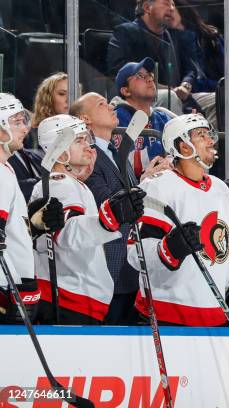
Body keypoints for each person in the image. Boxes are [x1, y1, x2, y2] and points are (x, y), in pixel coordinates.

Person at [128, 114, 229, 326]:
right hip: (167, 314)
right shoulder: (158, 186)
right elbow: (135, 254)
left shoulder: (221, 188)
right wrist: (169, 249)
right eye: (201, 135)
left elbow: (223, 252)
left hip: (215, 315)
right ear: (184, 147)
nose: (210, 141)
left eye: (209, 134)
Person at [31, 115, 145, 324]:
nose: (88, 147)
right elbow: (66, 235)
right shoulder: (61, 183)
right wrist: (108, 219)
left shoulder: (66, 183)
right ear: (58, 148)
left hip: (74, 300)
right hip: (68, 301)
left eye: (87, 140)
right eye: (79, 140)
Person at [70, 92, 170, 324]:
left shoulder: (116, 152)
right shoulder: (88, 157)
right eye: (102, 104)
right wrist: (145, 183)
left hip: (129, 269)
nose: (111, 106)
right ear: (85, 119)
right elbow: (108, 204)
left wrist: (145, 179)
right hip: (111, 268)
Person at [0, 93, 57, 324]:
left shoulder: (7, 169)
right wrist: (7, 294)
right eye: (16, 122)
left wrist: (32, 225)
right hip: (7, 289)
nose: (25, 128)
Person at [106, 0, 196, 114]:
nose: (172, 9)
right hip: (143, 97)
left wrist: (185, 85)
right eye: (166, 3)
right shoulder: (125, 32)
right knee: (171, 96)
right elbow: (117, 70)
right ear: (147, 7)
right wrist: (164, 88)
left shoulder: (172, 35)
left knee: (216, 96)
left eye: (173, 5)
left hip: (179, 94)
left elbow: (190, 68)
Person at [10, 72, 68, 200]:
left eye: (74, 92)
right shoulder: (29, 136)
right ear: (47, 98)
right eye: (62, 94)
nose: (69, 99)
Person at [112, 58, 174, 179]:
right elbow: (126, 163)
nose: (150, 79)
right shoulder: (117, 117)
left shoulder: (163, 116)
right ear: (126, 91)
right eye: (140, 76)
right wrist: (167, 149)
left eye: (150, 75)